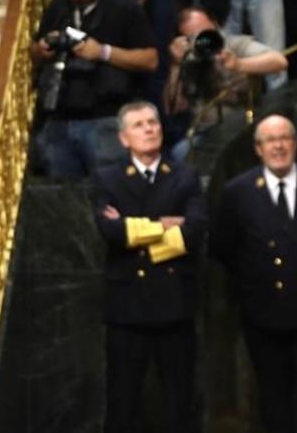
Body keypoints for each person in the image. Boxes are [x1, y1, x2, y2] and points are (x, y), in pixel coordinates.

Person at [210, 115, 297, 433]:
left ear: (295, 144)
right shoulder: (238, 191)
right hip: (263, 314)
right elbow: (222, 247)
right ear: (258, 148)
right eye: (271, 140)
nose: (279, 145)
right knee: (273, 396)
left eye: (285, 138)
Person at [93, 101, 206, 433]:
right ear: (124, 138)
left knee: (179, 401)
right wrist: (163, 226)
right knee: (123, 403)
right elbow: (111, 232)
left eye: (153, 122)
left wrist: (135, 228)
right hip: (127, 308)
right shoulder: (107, 178)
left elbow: (194, 232)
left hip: (174, 304)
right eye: (139, 124)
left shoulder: (185, 176)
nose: (149, 129)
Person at [30, 0, 157, 178]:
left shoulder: (124, 8)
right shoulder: (58, 8)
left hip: (105, 117)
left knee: (109, 193)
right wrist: (42, 50)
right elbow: (35, 54)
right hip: (60, 118)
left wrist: (103, 53)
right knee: (61, 198)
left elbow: (150, 59)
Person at [163, 7, 287, 159]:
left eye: (207, 32)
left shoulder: (234, 45)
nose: (205, 40)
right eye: (196, 37)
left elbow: (279, 61)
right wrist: (176, 65)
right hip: (205, 133)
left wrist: (239, 64)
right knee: (180, 152)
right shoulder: (187, 59)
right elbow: (173, 108)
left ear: (216, 25)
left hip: (243, 126)